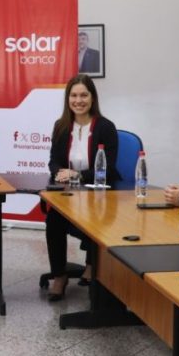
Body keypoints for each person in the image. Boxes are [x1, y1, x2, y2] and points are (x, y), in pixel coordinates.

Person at [44, 74, 120, 301]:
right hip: (69, 194)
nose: (78, 101)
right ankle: (59, 275)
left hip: (99, 194)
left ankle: (92, 265)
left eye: (84, 95)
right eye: (74, 95)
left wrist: (77, 174)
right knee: (53, 221)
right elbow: (53, 160)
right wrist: (59, 172)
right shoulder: (61, 126)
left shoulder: (105, 127)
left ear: (92, 97)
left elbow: (108, 167)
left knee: (96, 219)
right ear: (68, 99)